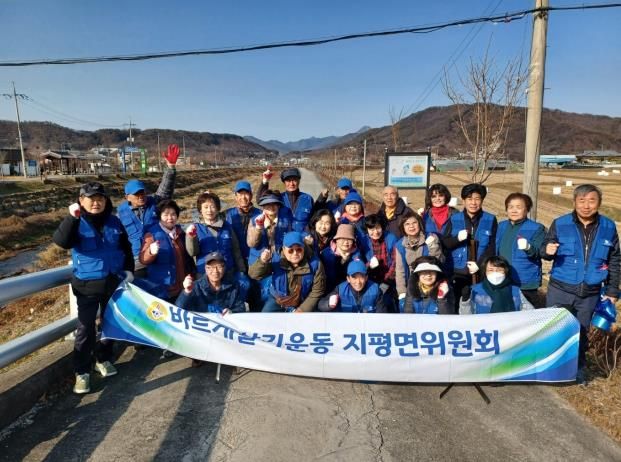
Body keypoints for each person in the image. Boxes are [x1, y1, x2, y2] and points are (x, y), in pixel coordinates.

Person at [53, 182, 134, 394]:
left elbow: (126, 248)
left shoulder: (114, 221)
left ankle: (103, 359)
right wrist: (71, 218)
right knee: (85, 328)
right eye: (91, 199)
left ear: (106, 200)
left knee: (111, 322)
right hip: (87, 285)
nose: (96, 202)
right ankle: (82, 372)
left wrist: (129, 270)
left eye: (100, 198)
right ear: (81, 200)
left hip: (113, 281)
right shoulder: (76, 220)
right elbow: (61, 241)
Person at [542, 184, 620, 379]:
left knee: (582, 331)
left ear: (599, 203)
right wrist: (547, 250)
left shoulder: (608, 227)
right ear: (574, 202)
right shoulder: (560, 223)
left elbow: (614, 260)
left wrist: (612, 291)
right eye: (582, 200)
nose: (586, 206)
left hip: (590, 292)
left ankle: (577, 369)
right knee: (554, 329)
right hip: (561, 288)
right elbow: (545, 248)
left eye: (592, 201)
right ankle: (551, 368)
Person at [442, 183, 497, 313]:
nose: (473, 202)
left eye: (477, 199)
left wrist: (480, 264)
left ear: (482, 200)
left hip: (481, 273)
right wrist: (457, 239)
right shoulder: (454, 219)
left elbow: (493, 245)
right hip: (458, 273)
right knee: (458, 306)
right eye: (469, 199)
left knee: (480, 306)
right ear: (463, 200)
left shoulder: (490, 219)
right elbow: (445, 243)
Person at [117, 144, 179, 257]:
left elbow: (165, 188)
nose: (141, 196)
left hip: (160, 251)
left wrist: (171, 168)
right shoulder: (120, 213)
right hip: (136, 256)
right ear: (127, 197)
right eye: (136, 194)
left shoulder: (155, 203)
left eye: (142, 192)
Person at [249, 231, 326, 312]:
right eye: (290, 251)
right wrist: (262, 261)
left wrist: (302, 309)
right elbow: (254, 275)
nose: (295, 253)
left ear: (304, 248)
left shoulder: (316, 264)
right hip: (278, 300)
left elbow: (318, 291)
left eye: (299, 249)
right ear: (284, 249)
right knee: (265, 317)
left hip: (303, 301)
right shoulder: (276, 259)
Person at [139, 199, 196, 301]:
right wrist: (150, 252)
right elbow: (143, 259)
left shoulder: (181, 233)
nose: (170, 218)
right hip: (163, 289)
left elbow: (189, 257)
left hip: (183, 286)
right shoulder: (152, 234)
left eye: (173, 214)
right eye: (166, 215)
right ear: (159, 216)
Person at [496, 193, 546, 307]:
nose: (514, 210)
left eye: (519, 207)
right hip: (502, 278)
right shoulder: (501, 226)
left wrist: (528, 248)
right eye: (510, 207)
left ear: (527, 209)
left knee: (527, 311)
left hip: (525, 281)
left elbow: (539, 252)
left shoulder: (536, 228)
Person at [186, 192, 245, 280]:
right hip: (205, 275)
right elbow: (192, 253)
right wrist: (191, 237)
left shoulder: (227, 226)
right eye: (206, 207)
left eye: (212, 206)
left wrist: (242, 270)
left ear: (217, 209)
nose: (209, 210)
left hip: (228, 272)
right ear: (200, 210)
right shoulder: (195, 228)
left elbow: (236, 250)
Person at [395, 210, 443, 306]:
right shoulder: (400, 245)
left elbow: (438, 261)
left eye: (414, 223)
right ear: (403, 227)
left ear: (419, 224)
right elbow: (400, 271)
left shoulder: (431, 238)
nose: (411, 226)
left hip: (431, 281)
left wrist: (433, 247)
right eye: (407, 224)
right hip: (412, 284)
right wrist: (402, 292)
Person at [459, 256, 534, 314]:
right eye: (491, 270)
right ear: (485, 272)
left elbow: (529, 314)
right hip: (484, 329)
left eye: (499, 270)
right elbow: (465, 318)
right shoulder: (475, 290)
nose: (495, 273)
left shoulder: (516, 291)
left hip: (510, 328)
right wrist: (465, 301)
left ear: (505, 272)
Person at [258, 167, 314, 232]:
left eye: (294, 180)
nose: (291, 184)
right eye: (288, 181)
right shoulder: (278, 198)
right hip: (282, 237)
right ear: (284, 182)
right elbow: (261, 201)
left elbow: (313, 220)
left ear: (299, 181)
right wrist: (265, 182)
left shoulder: (308, 199)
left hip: (302, 237)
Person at [318, 260, 386, 313]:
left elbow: (382, 314)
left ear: (366, 278)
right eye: (354, 277)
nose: (358, 282)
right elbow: (320, 305)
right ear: (348, 279)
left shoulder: (375, 290)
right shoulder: (340, 289)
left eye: (361, 277)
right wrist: (328, 304)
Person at [246, 190, 293, 265]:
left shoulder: (286, 221)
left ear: (278, 206)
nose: (271, 207)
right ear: (263, 207)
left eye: (274, 204)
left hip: (279, 261)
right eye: (267, 204)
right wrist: (258, 228)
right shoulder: (254, 220)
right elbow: (251, 244)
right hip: (258, 261)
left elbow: (289, 242)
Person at [224, 180, 261, 268]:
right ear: (236, 196)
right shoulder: (228, 214)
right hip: (236, 259)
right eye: (240, 194)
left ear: (251, 195)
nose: (243, 197)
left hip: (256, 257)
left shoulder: (260, 214)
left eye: (246, 194)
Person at [320, 224, 364, 293]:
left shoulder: (356, 254)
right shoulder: (326, 254)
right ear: (336, 240)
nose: (346, 242)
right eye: (342, 239)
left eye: (349, 239)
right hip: (328, 289)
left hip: (348, 289)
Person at [361, 213, 397, 293]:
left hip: (390, 277)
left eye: (378, 228)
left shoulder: (391, 238)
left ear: (382, 227)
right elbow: (360, 261)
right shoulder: (364, 241)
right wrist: (369, 265)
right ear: (367, 230)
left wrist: (387, 281)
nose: (376, 232)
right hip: (370, 278)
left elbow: (396, 262)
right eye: (372, 229)